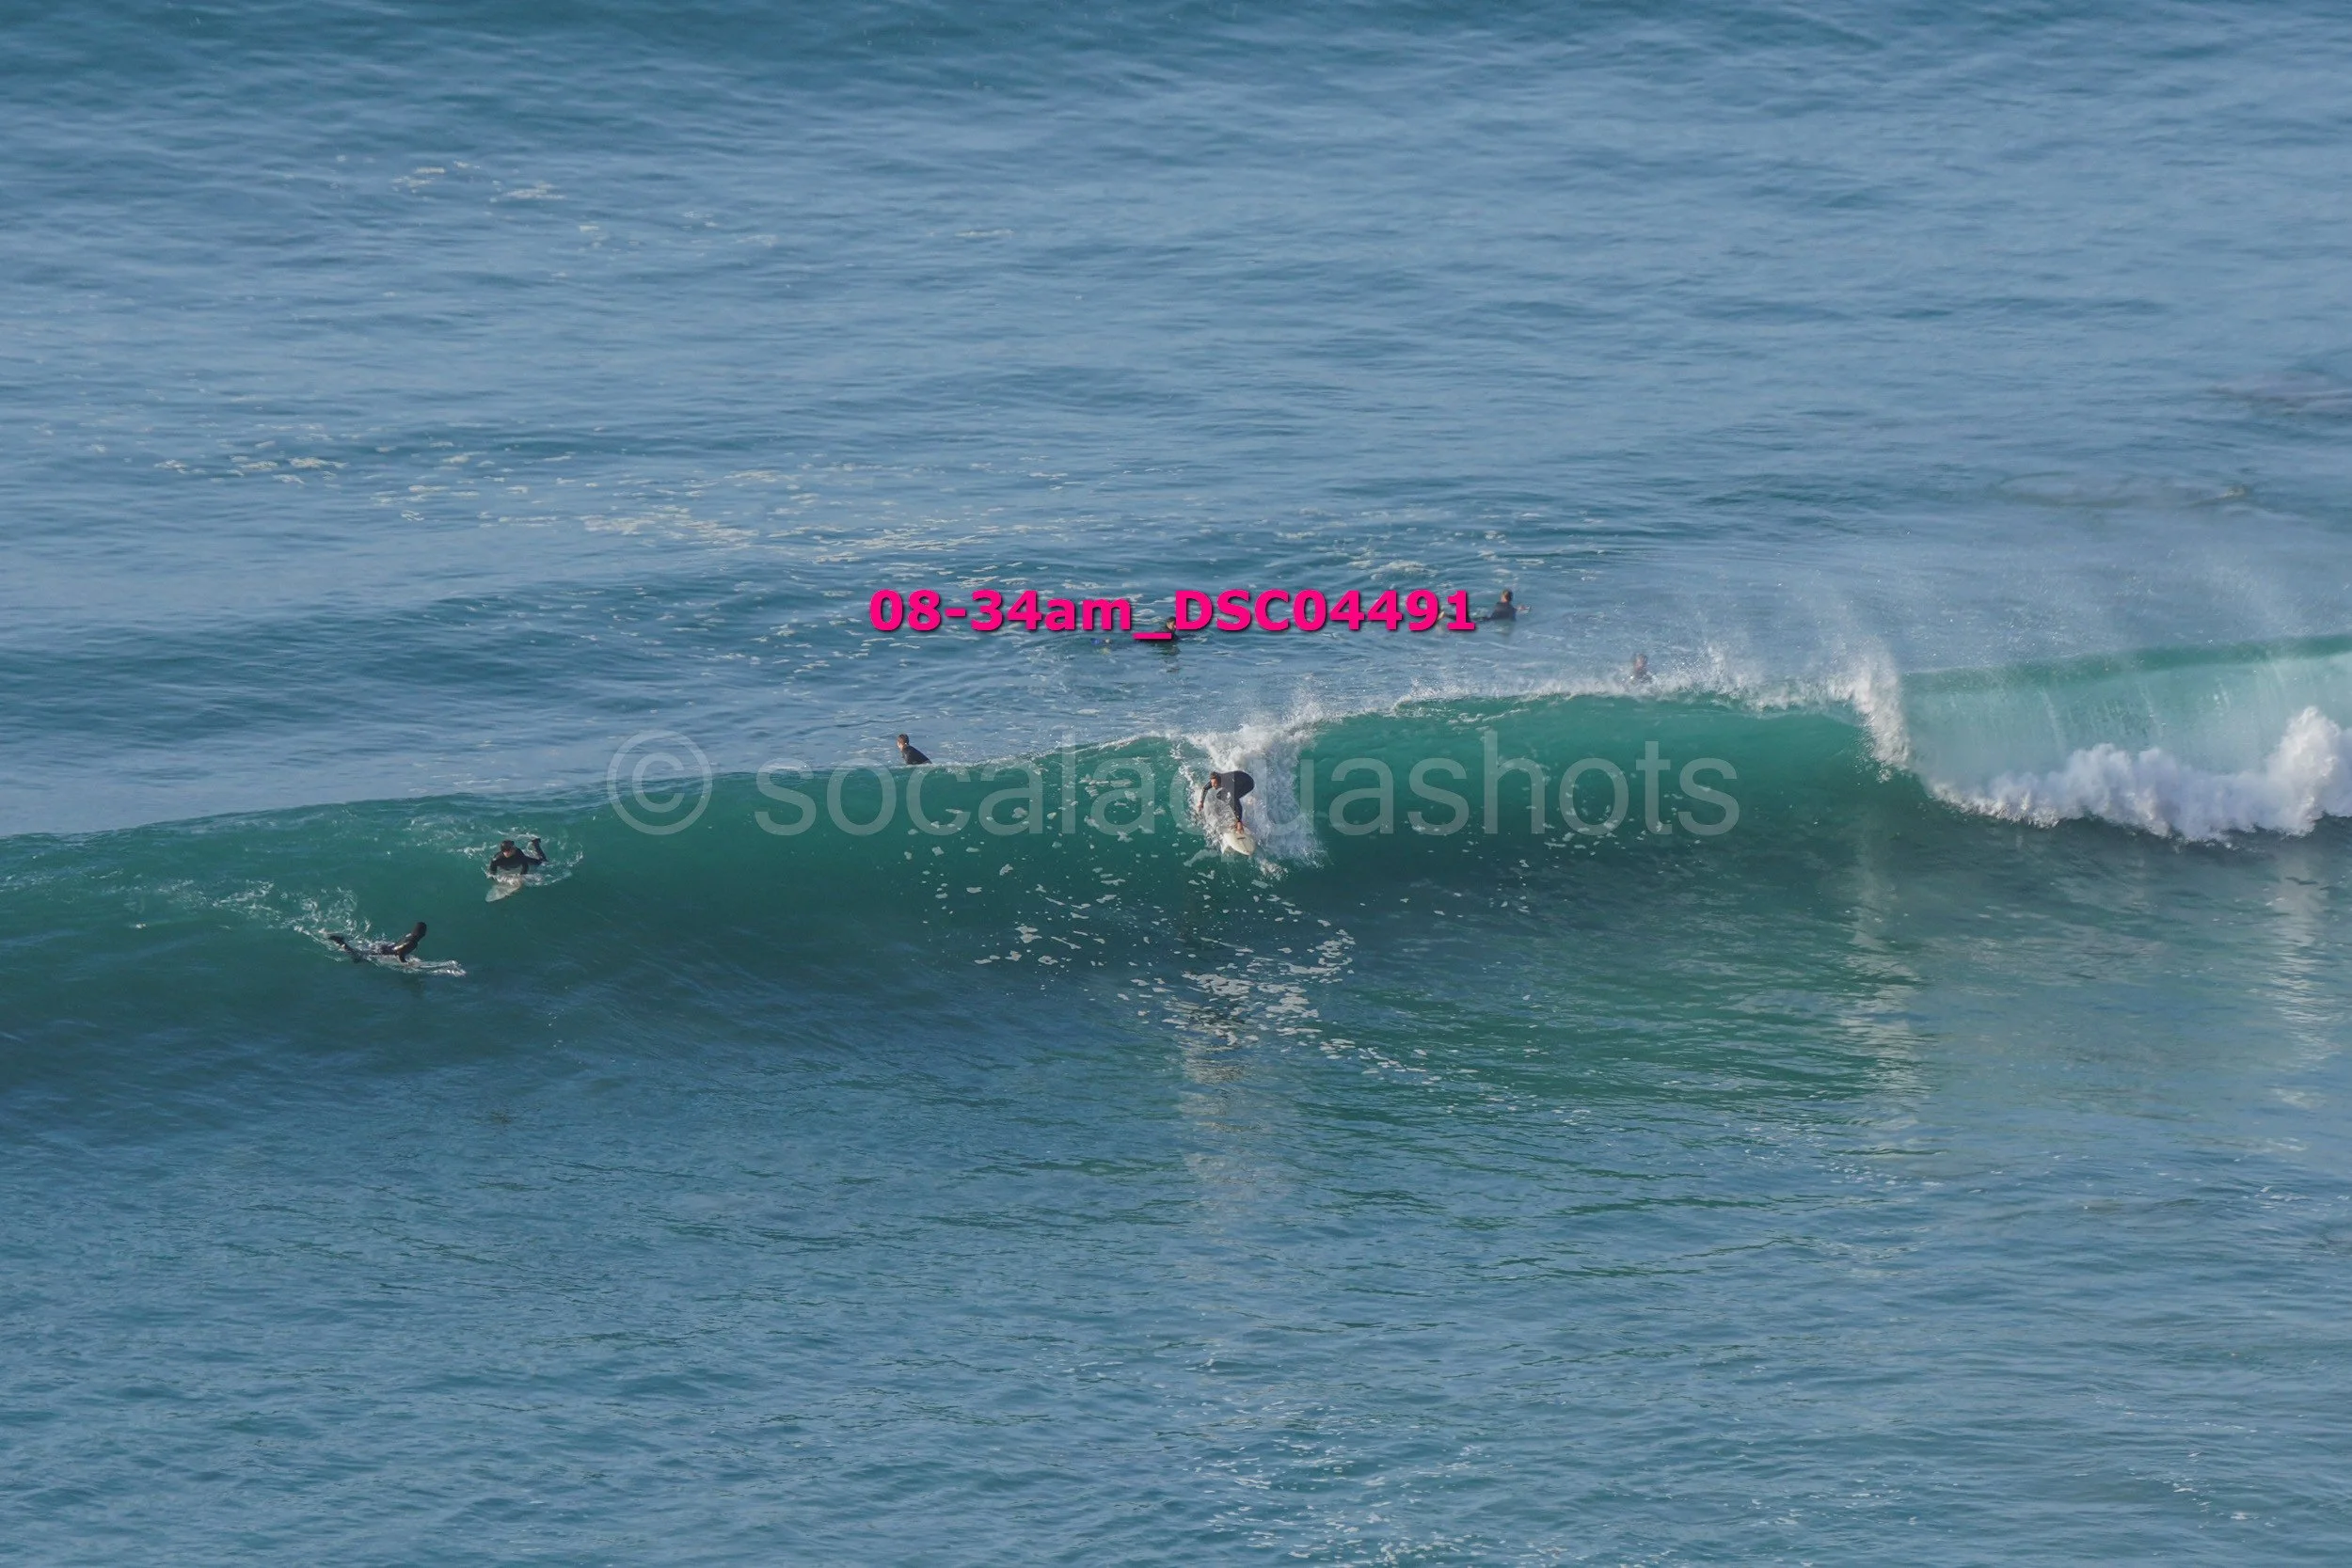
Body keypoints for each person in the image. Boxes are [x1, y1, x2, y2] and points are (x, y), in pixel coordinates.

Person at [330, 923, 427, 962]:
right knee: (357, 956)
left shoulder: (409, 935)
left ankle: (342, 941)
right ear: (422, 933)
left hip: (385, 946)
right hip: (385, 952)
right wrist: (405, 963)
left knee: (360, 957)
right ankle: (340, 942)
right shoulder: (413, 942)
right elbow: (401, 952)